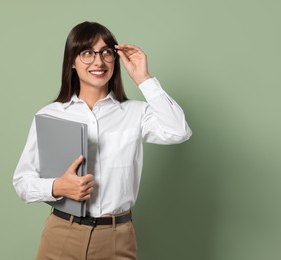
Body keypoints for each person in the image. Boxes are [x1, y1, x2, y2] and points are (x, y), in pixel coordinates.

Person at [13, 21, 192, 260]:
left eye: (106, 52)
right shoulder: (50, 115)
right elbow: (22, 182)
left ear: (115, 60)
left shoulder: (135, 112)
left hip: (117, 237)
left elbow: (179, 130)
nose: (98, 62)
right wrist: (57, 187)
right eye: (87, 53)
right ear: (72, 62)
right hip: (61, 234)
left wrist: (144, 79)